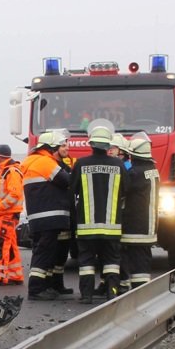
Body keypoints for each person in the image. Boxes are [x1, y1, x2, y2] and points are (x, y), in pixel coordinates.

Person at [71, 124, 129, 302]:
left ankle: (87, 295)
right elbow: (127, 190)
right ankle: (112, 292)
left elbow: (72, 190)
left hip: (86, 226)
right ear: (108, 146)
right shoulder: (119, 165)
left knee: (86, 262)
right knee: (111, 261)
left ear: (91, 144)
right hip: (111, 226)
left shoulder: (81, 164)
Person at [21, 131, 72, 299]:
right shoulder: (44, 162)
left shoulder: (34, 161)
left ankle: (50, 285)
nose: (67, 148)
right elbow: (67, 181)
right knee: (44, 253)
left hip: (43, 217)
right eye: (62, 145)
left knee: (50, 252)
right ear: (52, 148)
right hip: (48, 217)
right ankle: (36, 289)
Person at [119, 135, 160, 292]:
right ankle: (141, 289)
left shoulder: (135, 173)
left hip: (134, 224)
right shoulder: (153, 171)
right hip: (149, 223)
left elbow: (122, 192)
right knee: (143, 257)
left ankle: (133, 288)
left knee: (131, 257)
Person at [0, 144, 24, 284]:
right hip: (6, 214)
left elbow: (14, 194)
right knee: (10, 245)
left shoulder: (11, 172)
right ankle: (15, 275)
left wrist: (0, 208)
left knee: (2, 245)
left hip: (7, 215)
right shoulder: (5, 171)